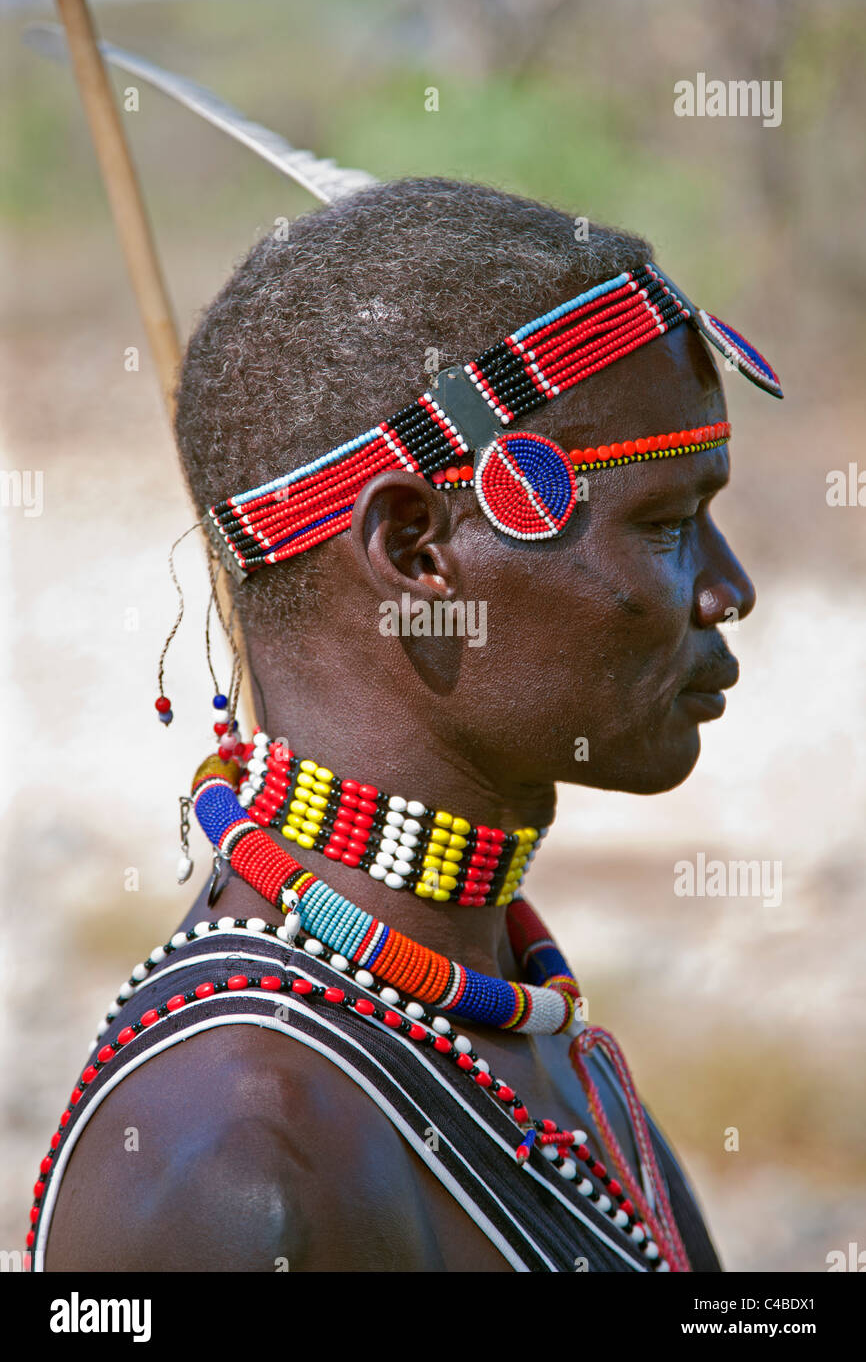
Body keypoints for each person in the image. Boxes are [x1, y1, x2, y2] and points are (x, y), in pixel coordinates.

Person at [29, 178, 780, 1273]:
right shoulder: (241, 1166)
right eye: (664, 526)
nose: (728, 589)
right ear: (419, 550)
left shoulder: (532, 1037)